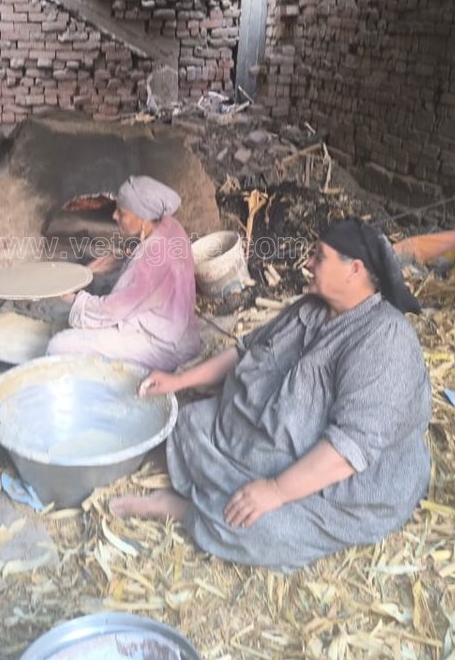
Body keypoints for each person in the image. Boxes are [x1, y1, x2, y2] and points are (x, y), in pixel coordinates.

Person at [110, 218, 431, 571]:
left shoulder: (385, 339)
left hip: (339, 486)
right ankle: (220, 491)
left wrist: (276, 490)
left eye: (319, 256)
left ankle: (186, 510)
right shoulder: (310, 308)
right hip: (266, 441)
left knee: (265, 528)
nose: (308, 263)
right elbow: (245, 351)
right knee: (188, 421)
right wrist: (179, 381)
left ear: (354, 270)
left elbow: (350, 449)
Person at [45, 176, 202, 372]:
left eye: (122, 213)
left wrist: (73, 298)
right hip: (179, 329)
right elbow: (150, 265)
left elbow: (110, 310)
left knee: (60, 345)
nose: (114, 216)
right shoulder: (169, 225)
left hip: (163, 346)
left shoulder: (150, 261)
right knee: (77, 320)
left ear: (143, 218)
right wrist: (120, 258)